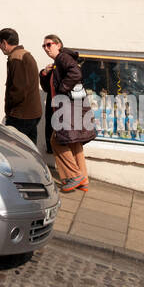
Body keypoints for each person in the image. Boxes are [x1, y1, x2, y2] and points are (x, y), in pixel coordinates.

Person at [42, 33, 96, 193]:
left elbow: (76, 74)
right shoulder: (57, 64)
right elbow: (47, 88)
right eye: (44, 46)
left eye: (49, 44)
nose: (46, 48)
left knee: (57, 140)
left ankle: (74, 175)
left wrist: (62, 89)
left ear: (58, 45)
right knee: (74, 142)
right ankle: (83, 179)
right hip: (71, 109)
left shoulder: (62, 58)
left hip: (68, 109)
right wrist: (44, 74)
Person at [0, 27, 42, 149]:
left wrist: (9, 109)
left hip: (21, 115)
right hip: (32, 113)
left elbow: (18, 90)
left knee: (14, 150)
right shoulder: (25, 54)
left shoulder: (16, 58)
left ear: (4, 43)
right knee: (30, 149)